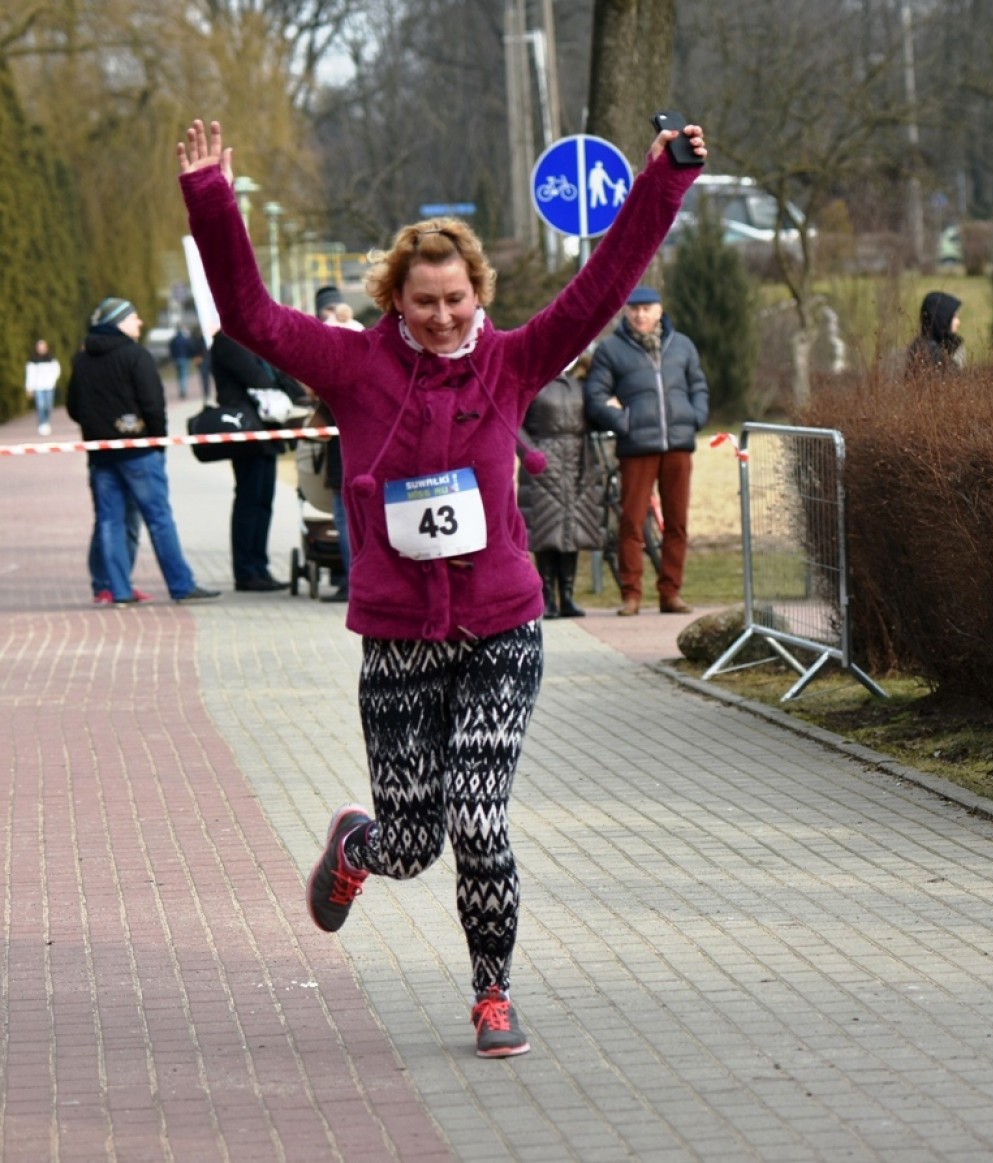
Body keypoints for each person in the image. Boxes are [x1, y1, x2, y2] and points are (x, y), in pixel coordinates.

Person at [177, 115, 707, 1057]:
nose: (443, 316)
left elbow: (602, 286)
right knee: (413, 844)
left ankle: (492, 993)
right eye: (424, 301)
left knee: (480, 816)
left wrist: (662, 181)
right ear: (395, 297)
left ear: (478, 293)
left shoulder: (513, 360)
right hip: (400, 638)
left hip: (502, 628)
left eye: (457, 298)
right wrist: (213, 200)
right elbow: (252, 317)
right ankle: (359, 846)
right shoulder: (352, 368)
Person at [66, 296, 221, 605]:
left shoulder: (82, 360)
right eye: (133, 317)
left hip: (100, 454)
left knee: (110, 522)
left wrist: (97, 427)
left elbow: (73, 407)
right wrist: (158, 444)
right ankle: (181, 585)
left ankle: (118, 590)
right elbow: (153, 404)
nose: (139, 322)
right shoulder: (136, 355)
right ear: (118, 322)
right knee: (159, 519)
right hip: (139, 452)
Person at [585, 286, 709, 617]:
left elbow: (698, 386)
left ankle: (671, 592)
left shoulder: (682, 345)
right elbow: (595, 395)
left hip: (678, 445)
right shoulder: (611, 350)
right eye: (634, 309)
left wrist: (695, 417)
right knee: (632, 522)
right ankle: (631, 594)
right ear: (626, 312)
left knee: (677, 523)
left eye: (647, 308)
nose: (640, 314)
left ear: (659, 311)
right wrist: (623, 421)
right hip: (636, 447)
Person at [211, 330, 297, 592]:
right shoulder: (228, 340)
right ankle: (246, 571)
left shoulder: (253, 342)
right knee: (249, 502)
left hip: (266, 432)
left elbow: (278, 376)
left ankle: (260, 567)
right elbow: (258, 378)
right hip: (246, 431)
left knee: (263, 503)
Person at [517, 357, 602, 618]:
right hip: (543, 462)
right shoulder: (533, 383)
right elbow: (514, 423)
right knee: (546, 532)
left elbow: (595, 416)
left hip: (577, 464)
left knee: (572, 531)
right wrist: (531, 453)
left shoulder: (581, 384)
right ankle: (547, 598)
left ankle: (567, 596)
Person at [313, 285, 353, 602]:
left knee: (345, 520)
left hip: (345, 461)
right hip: (367, 458)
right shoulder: (362, 341)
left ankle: (353, 582)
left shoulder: (334, 369)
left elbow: (319, 428)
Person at [906, 291, 964, 376]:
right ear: (942, 318)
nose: (958, 322)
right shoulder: (930, 353)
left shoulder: (937, 347)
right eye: (954, 317)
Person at [25, 339, 61, 436]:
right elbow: (30, 375)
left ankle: (46, 422)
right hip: (38, 387)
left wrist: (52, 381)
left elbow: (57, 371)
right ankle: (41, 424)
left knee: (48, 406)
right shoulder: (32, 360)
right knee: (40, 406)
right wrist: (29, 387)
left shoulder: (51, 359)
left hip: (49, 386)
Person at [168, 325, 197, 399]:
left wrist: (173, 357)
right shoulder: (185, 339)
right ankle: (183, 391)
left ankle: (181, 390)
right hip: (184, 358)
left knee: (179, 375)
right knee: (183, 375)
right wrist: (190, 356)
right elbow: (190, 348)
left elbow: (171, 349)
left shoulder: (174, 340)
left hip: (177, 358)